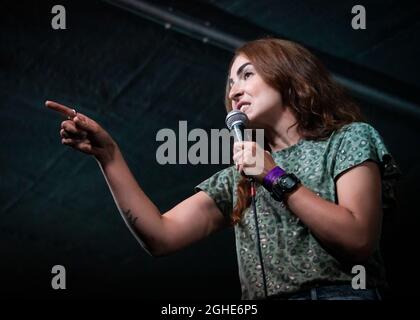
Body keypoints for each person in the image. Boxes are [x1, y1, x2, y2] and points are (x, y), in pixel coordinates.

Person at [46, 38, 399, 300]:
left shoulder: (348, 139)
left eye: (246, 75)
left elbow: (358, 239)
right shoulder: (241, 175)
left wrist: (274, 176)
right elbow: (160, 236)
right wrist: (109, 156)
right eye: (231, 83)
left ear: (294, 79)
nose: (234, 91)